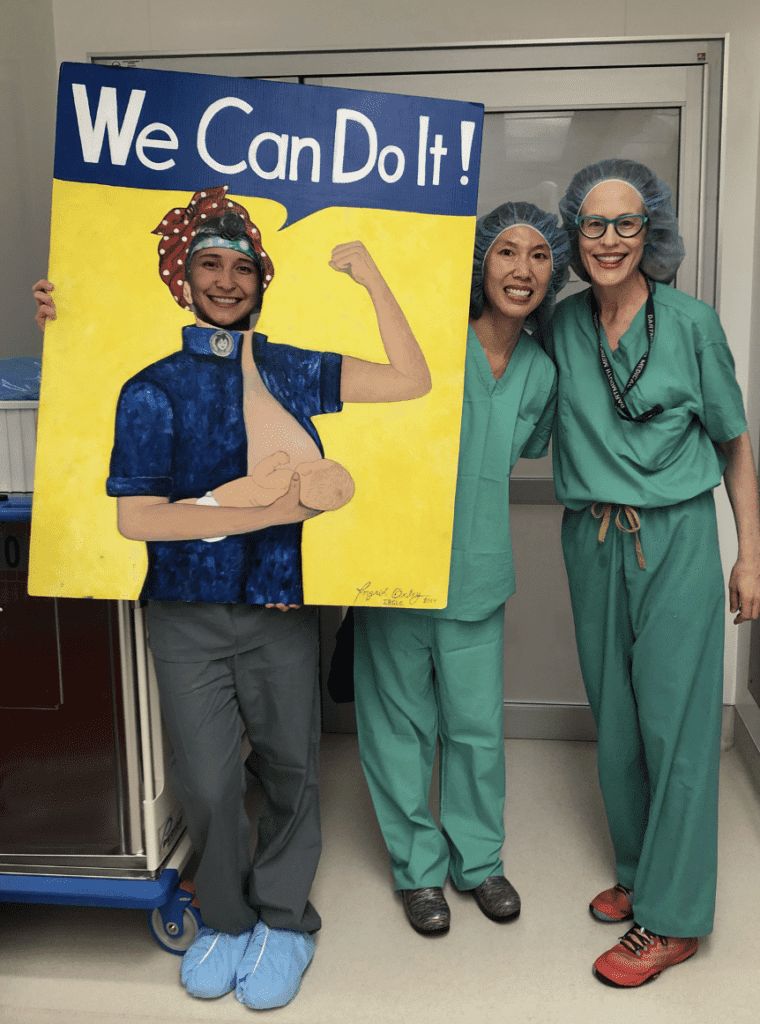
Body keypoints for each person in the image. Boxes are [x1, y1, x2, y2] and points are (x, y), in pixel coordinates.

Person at [32, 186, 430, 1011]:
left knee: (291, 768)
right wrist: (67, 332)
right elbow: (139, 519)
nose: (225, 280)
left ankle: (283, 918)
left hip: (279, 610)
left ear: (261, 279)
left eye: (241, 267)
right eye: (208, 265)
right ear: (182, 279)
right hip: (185, 613)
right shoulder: (153, 389)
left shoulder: (287, 368)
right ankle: (223, 915)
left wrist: (373, 279)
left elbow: (410, 379)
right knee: (210, 782)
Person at [549, 159, 760, 987]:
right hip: (592, 537)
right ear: (575, 234)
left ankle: (672, 921)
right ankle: (641, 873)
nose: (610, 240)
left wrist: (751, 554)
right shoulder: (563, 325)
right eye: (594, 225)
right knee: (620, 721)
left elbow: (734, 442)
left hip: (673, 536)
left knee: (676, 727)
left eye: (627, 223)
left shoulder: (693, 324)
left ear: (652, 231)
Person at [352, 202, 570, 935]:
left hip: (478, 570)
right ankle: (419, 870)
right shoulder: (427, 341)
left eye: (539, 255)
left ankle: (478, 862)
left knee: (476, 726)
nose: (522, 269)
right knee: (399, 726)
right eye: (507, 251)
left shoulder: (540, 370)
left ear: (554, 273)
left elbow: (524, 447)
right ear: (480, 263)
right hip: (398, 563)